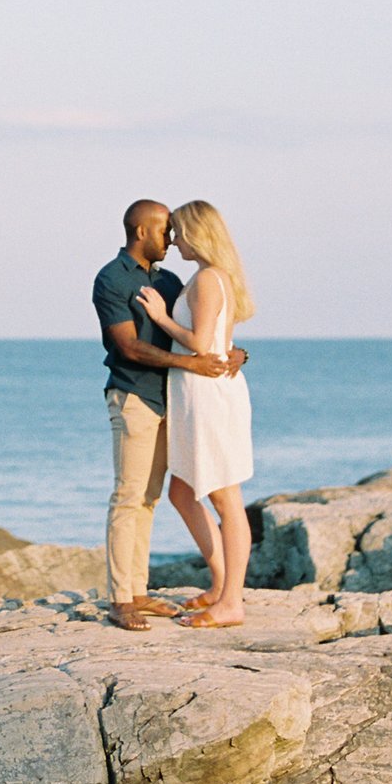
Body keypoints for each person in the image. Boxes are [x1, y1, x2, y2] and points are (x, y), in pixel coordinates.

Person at [90, 200, 246, 631]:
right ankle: (122, 598)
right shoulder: (111, 279)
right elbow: (129, 346)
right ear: (142, 232)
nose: (172, 238)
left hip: (177, 402)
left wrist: (234, 352)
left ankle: (139, 592)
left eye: (176, 230)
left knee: (150, 497)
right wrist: (194, 363)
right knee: (129, 495)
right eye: (165, 230)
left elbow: (206, 328)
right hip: (135, 397)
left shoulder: (172, 279)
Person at [135, 199, 258, 628]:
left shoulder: (208, 278)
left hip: (208, 398)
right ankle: (221, 585)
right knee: (182, 493)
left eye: (179, 231)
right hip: (198, 396)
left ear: (197, 234)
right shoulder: (209, 277)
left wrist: (159, 318)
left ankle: (232, 602)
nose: (174, 239)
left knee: (226, 499)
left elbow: (203, 345)